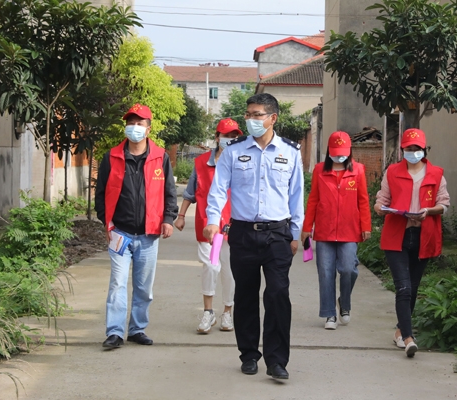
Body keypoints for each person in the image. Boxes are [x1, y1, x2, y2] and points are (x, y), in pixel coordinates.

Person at [203, 93, 304, 380]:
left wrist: (295, 234)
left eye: (257, 114)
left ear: (273, 118)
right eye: (248, 114)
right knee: (245, 295)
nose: (251, 119)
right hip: (243, 233)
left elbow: (296, 195)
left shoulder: (290, 152)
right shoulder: (234, 151)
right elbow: (218, 189)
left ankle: (277, 360)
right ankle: (248, 354)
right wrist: (213, 220)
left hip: (278, 234)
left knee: (278, 295)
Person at [95, 103, 178, 349]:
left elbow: (169, 192)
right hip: (120, 232)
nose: (134, 127)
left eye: (139, 123)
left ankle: (137, 329)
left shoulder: (160, 157)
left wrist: (168, 219)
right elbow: (101, 193)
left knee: (143, 288)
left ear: (148, 129)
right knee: (117, 284)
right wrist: (107, 221)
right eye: (130, 123)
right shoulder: (112, 157)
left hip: (148, 235)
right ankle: (114, 332)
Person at [374, 128, 450, 358]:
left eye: (417, 148)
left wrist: (429, 211)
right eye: (409, 148)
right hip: (397, 235)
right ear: (402, 150)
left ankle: (400, 330)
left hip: (423, 235)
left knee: (413, 287)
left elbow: (444, 204)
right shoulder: (392, 172)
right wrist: (380, 208)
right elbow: (382, 199)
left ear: (424, 150)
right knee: (403, 287)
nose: (413, 152)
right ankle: (408, 338)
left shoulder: (436, 174)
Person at [174, 118, 241, 334]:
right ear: (217, 137)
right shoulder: (201, 163)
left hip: (233, 227)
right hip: (209, 228)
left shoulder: (241, 162)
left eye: (234, 136)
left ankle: (228, 312)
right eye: (226, 135)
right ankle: (208, 311)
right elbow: (190, 192)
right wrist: (181, 215)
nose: (230, 139)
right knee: (212, 267)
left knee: (229, 271)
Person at [301, 131, 371, 330]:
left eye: (342, 152)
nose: (339, 156)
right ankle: (329, 313)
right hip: (325, 230)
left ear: (349, 151)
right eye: (336, 152)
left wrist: (366, 226)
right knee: (326, 272)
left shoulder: (358, 170)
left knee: (349, 269)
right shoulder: (319, 170)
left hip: (350, 230)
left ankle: (344, 303)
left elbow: (363, 200)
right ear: (329, 151)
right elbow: (313, 200)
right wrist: (307, 227)